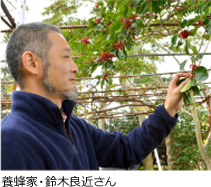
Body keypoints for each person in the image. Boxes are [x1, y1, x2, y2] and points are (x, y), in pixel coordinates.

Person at [0, 22, 190, 171]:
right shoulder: (10, 141)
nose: (75, 67)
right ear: (32, 62)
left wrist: (168, 109)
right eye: (66, 57)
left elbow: (127, 150)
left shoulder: (75, 127)